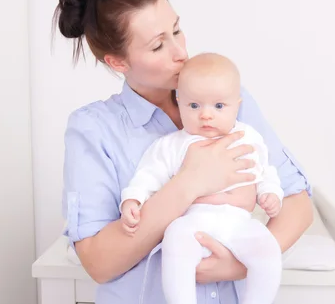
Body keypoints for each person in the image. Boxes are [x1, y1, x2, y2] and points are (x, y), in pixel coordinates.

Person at [57, 0, 313, 304]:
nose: (181, 52)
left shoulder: (226, 97)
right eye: (159, 45)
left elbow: (297, 201)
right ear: (117, 62)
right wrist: (190, 183)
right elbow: (99, 263)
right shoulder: (94, 129)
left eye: (176, 30)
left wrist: (239, 264)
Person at [119, 52, 284, 304]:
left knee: (268, 251)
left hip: (238, 223)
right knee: (174, 243)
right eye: (194, 106)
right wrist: (133, 199)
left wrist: (270, 193)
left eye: (218, 106)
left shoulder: (248, 137)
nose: (206, 115)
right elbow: (148, 175)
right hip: (192, 222)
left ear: (236, 106)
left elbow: (266, 170)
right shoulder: (172, 144)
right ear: (179, 101)